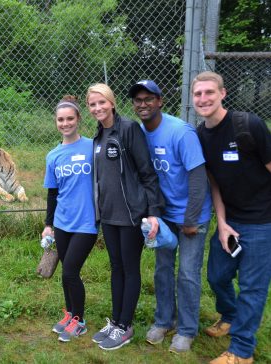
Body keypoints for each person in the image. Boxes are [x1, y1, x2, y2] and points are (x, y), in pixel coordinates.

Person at [193, 71, 271, 364]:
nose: (203, 98)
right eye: (198, 94)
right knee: (217, 275)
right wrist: (223, 223)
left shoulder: (248, 126)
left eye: (209, 92)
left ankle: (241, 351)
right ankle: (229, 315)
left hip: (264, 222)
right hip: (232, 220)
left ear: (223, 94)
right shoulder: (200, 135)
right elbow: (214, 183)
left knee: (252, 287)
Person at [128, 80, 212, 353]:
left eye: (148, 99)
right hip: (162, 218)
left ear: (160, 101)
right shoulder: (139, 134)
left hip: (191, 213)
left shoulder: (180, 132)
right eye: (138, 100)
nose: (143, 104)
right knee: (163, 270)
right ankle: (164, 320)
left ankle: (187, 330)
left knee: (188, 273)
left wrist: (191, 219)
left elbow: (198, 178)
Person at [87, 83, 164, 350]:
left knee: (130, 269)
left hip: (132, 215)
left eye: (101, 102)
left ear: (112, 102)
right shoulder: (97, 136)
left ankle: (126, 326)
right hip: (108, 216)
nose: (97, 108)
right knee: (116, 267)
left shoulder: (129, 129)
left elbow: (147, 173)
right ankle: (116, 322)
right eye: (92, 104)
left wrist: (152, 212)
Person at [42, 96, 99, 343]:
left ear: (78, 120)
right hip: (62, 223)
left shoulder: (92, 147)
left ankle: (80, 321)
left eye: (70, 119)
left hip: (86, 223)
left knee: (70, 272)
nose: (65, 123)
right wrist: (48, 225)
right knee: (67, 271)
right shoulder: (53, 155)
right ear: (56, 122)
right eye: (61, 119)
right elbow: (52, 194)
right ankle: (69, 315)